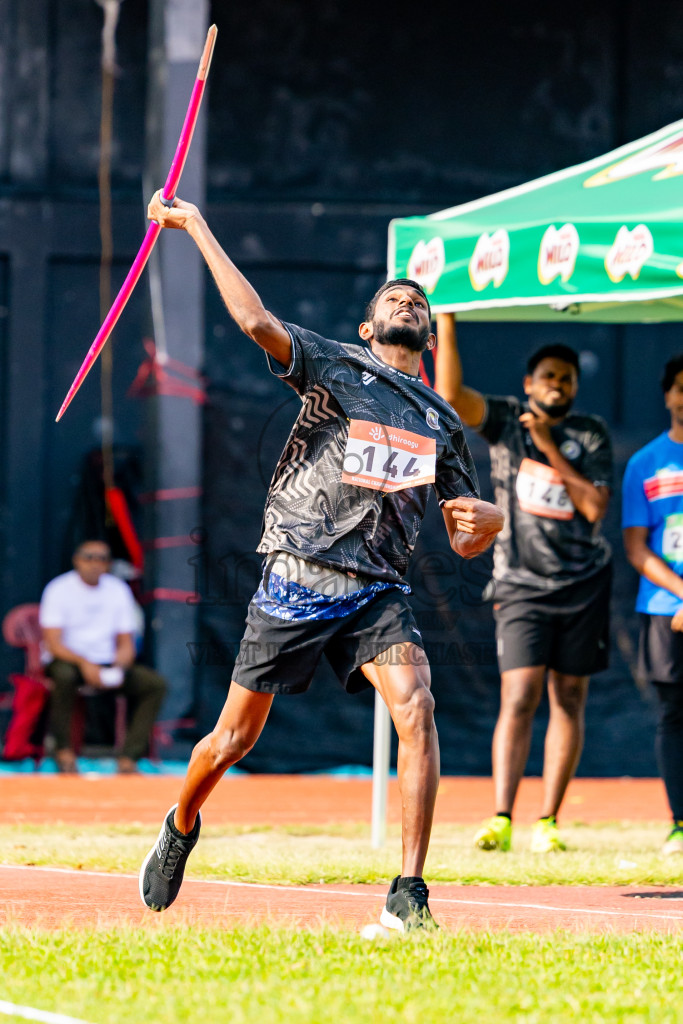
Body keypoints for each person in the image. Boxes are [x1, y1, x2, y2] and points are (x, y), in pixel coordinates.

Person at [138, 190, 504, 931]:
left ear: (428, 333)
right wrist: (196, 224)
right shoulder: (334, 363)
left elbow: (465, 536)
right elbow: (252, 321)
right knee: (233, 740)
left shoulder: (442, 423)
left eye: (417, 301)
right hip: (298, 573)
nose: (407, 301)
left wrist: (489, 522)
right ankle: (180, 823)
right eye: (392, 297)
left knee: (417, 706)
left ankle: (409, 894)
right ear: (369, 326)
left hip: (377, 590)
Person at [435, 313, 612, 853]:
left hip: (582, 586)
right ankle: (501, 817)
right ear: (529, 384)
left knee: (570, 698)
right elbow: (450, 397)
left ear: (574, 387)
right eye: (548, 376)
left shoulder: (591, 433)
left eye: (566, 378)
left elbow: (593, 507)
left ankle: (549, 822)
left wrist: (550, 448)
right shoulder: (508, 420)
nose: (557, 384)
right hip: (519, 586)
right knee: (519, 695)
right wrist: (448, 320)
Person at [622, 354, 683, 855]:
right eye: (681, 387)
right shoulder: (645, 463)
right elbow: (637, 548)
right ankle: (679, 823)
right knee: (672, 715)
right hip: (666, 610)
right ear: (667, 395)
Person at [39, 539, 166, 774]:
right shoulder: (58, 589)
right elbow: (53, 643)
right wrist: (85, 663)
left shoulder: (117, 590)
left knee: (154, 684)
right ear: (76, 560)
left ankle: (129, 757)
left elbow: (126, 641)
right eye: (89, 557)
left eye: (102, 559)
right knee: (63, 677)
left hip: (106, 663)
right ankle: (63, 752)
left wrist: (120, 665)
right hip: (69, 660)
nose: (95, 564)